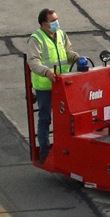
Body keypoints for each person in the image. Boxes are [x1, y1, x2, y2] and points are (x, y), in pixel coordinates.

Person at [27, 8, 82, 162]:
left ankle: (65, 150)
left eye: (57, 19)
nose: (57, 23)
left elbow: (67, 52)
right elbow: (33, 61)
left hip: (63, 83)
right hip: (45, 86)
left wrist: (76, 58)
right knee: (45, 120)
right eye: (53, 21)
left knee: (67, 118)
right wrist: (46, 72)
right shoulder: (36, 39)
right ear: (44, 24)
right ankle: (45, 154)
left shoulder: (61, 34)